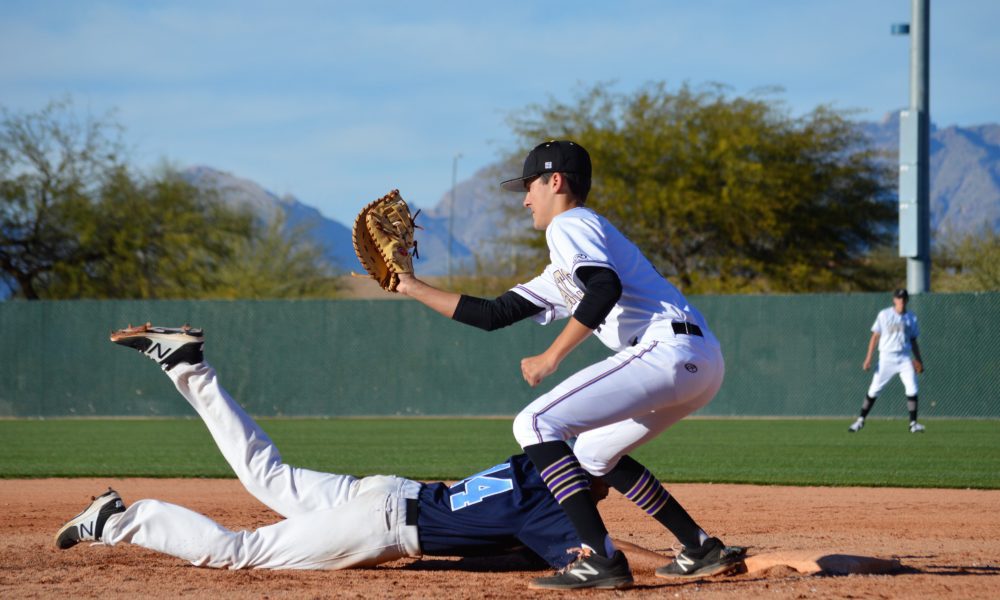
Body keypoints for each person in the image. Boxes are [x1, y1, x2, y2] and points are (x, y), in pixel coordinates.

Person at [394, 140, 745, 589]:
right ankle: (700, 547)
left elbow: (604, 288)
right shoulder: (567, 262)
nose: (524, 199)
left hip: (667, 351)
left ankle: (600, 558)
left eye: (529, 187)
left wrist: (551, 356)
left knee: (534, 423)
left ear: (554, 181)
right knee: (595, 453)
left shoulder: (570, 224)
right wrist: (411, 286)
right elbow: (492, 314)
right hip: (698, 360)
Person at [55, 323, 643, 574]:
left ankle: (189, 368)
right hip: (382, 526)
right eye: (607, 471)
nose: (606, 483)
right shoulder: (553, 511)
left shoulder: (534, 460)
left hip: (387, 491)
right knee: (241, 552)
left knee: (266, 473)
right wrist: (692, 561)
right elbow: (614, 553)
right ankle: (118, 522)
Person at [849, 289, 926, 434]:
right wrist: (868, 358)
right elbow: (875, 336)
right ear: (894, 300)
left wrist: (919, 360)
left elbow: (914, 340)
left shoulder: (911, 317)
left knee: (912, 388)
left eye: (903, 297)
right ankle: (860, 421)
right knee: (874, 390)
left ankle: (913, 424)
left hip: (904, 358)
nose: (901, 300)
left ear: (907, 300)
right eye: (898, 297)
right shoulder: (884, 315)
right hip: (886, 358)